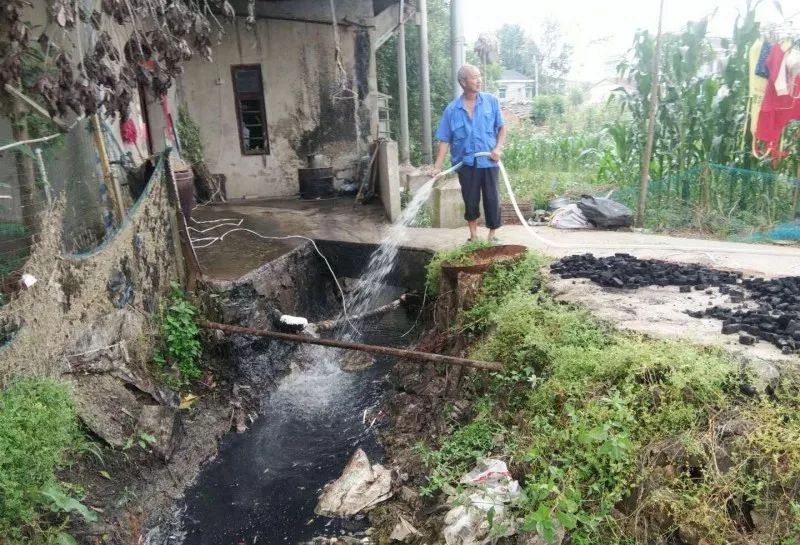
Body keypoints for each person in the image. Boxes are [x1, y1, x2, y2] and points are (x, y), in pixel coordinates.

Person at [432, 64, 507, 242]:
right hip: (466, 164)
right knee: (470, 199)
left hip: (489, 161)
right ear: (463, 82)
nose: (479, 80)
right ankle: (473, 236)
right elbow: (444, 140)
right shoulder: (452, 110)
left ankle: (492, 235)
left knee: (492, 198)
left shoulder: (491, 101)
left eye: (479, 76)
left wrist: (498, 148)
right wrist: (437, 167)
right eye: (474, 77)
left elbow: (502, 128)